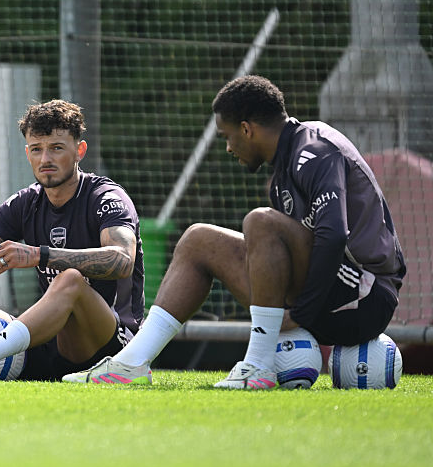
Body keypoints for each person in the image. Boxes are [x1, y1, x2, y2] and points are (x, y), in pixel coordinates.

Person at [64, 75, 407, 389]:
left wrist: (302, 315)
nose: (228, 147)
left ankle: (257, 366)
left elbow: (334, 236)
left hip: (366, 298)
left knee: (260, 221)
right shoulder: (282, 171)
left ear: (247, 129)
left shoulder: (313, 151)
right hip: (327, 298)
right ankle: (130, 363)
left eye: (227, 136)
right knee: (198, 239)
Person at [0, 100, 145, 382]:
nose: (45, 159)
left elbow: (122, 260)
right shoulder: (25, 202)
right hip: (50, 343)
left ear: (80, 150)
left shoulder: (106, 197)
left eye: (57, 148)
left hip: (109, 349)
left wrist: (40, 255)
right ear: (27, 153)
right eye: (37, 149)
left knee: (70, 280)